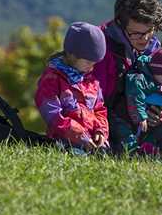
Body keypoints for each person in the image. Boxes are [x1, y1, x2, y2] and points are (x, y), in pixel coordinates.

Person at [93, 0, 162, 152]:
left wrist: (159, 112)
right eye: (135, 33)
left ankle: (147, 150)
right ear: (120, 24)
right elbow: (95, 100)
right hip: (108, 120)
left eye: (149, 31)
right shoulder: (102, 47)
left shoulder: (155, 49)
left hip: (142, 120)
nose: (144, 39)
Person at [34, 22, 108, 153]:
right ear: (72, 55)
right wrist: (79, 136)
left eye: (94, 63)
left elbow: (99, 110)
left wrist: (100, 131)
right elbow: (53, 114)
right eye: (87, 62)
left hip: (91, 140)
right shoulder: (52, 79)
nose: (91, 67)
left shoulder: (91, 81)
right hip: (64, 139)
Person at [116, 48, 162, 154]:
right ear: (155, 72)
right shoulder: (141, 80)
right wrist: (141, 116)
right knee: (125, 133)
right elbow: (135, 95)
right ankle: (130, 151)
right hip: (131, 120)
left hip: (152, 128)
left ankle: (149, 150)